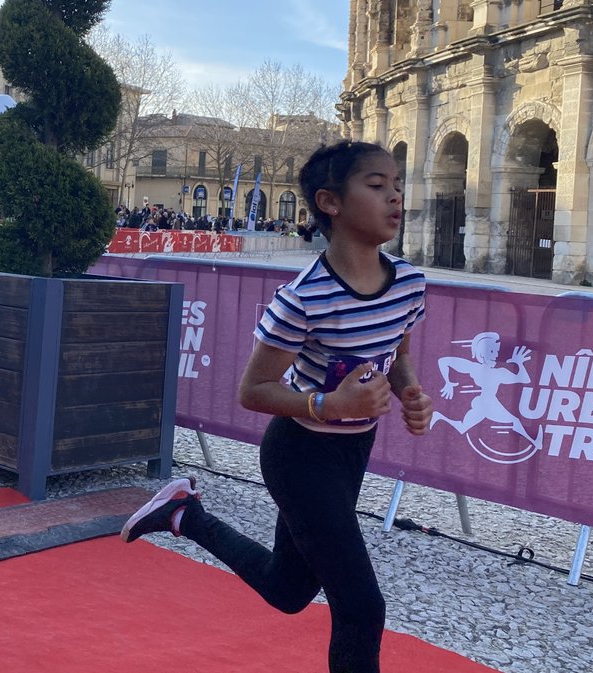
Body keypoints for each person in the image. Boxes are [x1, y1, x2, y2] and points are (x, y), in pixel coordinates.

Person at [120, 141, 433, 673]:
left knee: (288, 591)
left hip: (353, 454)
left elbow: (397, 352)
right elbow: (253, 390)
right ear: (330, 202)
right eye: (377, 186)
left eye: (398, 185)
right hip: (300, 458)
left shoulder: (408, 284)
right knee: (361, 608)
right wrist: (327, 404)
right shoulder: (304, 298)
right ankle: (182, 512)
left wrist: (411, 394)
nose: (395, 197)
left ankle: (183, 514)